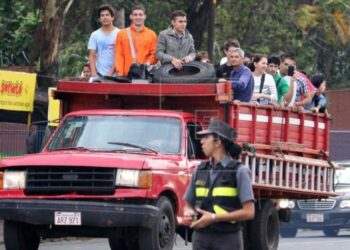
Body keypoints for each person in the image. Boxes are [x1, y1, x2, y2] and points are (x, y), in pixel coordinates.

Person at [183, 118, 255, 250]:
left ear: (217, 142)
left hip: (228, 239)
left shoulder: (240, 171)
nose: (202, 141)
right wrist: (188, 213)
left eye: (206, 137)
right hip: (200, 238)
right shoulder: (199, 170)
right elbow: (188, 204)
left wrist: (214, 218)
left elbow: (249, 212)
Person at [114, 4, 157, 77]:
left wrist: (147, 63)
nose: (138, 17)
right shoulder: (122, 33)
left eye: (140, 15)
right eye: (135, 15)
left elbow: (154, 54)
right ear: (131, 16)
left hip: (144, 74)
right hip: (126, 74)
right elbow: (119, 55)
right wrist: (120, 73)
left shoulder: (152, 34)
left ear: (144, 17)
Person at [88, 4, 119, 77]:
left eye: (107, 15)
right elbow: (92, 55)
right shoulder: (94, 35)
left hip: (116, 74)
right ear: (99, 19)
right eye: (102, 15)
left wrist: (111, 72)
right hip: (99, 74)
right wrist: (94, 73)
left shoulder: (119, 33)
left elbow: (119, 55)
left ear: (112, 17)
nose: (105, 17)